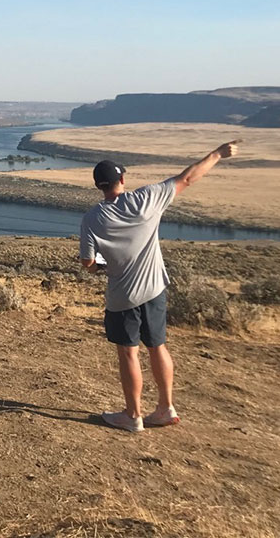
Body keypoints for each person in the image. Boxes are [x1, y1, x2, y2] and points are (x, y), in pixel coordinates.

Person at [79, 140, 240, 433]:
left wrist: (106, 266)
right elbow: (188, 177)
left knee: (128, 353)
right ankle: (165, 407)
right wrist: (217, 154)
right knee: (157, 347)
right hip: (154, 289)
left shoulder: (92, 218)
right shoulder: (147, 199)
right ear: (122, 180)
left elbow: (88, 263)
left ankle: (133, 415)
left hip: (122, 296)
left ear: (98, 186)